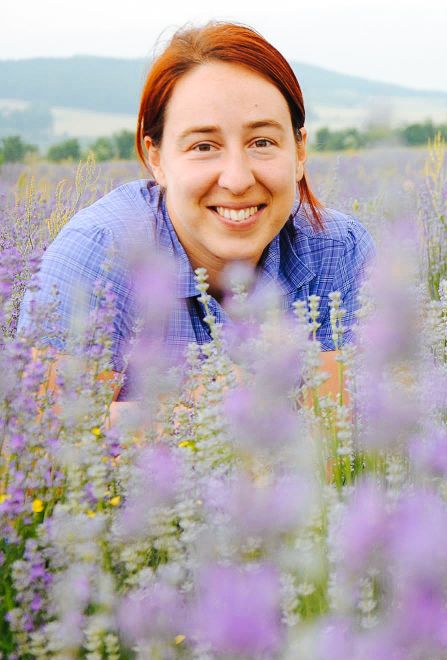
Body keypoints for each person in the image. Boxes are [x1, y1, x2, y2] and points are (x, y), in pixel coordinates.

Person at [18, 22, 374, 401]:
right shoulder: (101, 255)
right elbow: (44, 435)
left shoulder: (336, 250)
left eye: (263, 141)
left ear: (300, 152)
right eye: (204, 146)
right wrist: (218, 408)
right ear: (156, 157)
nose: (237, 180)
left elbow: (338, 433)